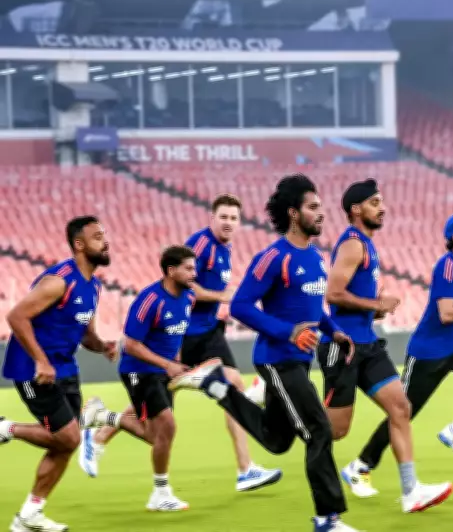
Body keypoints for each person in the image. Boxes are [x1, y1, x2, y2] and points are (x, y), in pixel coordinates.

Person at [168, 174, 361, 532]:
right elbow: (241, 305)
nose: (321, 213)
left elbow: (312, 308)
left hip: (298, 360)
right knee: (318, 429)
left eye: (321, 207)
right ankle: (328, 519)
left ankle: (215, 386)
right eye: (313, 207)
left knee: (277, 439)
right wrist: (288, 332)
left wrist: (334, 330)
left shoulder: (315, 257)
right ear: (293, 213)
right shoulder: (273, 257)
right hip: (277, 359)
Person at [81, 194, 281, 492]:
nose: (228, 222)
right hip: (186, 333)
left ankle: (246, 469)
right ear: (212, 218)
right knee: (162, 403)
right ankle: (99, 431)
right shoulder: (201, 245)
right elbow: (187, 286)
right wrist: (224, 297)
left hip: (208, 330)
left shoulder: (224, 248)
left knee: (229, 386)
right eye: (223, 217)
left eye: (233, 218)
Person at [0, 216, 144, 532]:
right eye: (97, 237)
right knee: (68, 437)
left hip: (65, 368)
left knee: (65, 444)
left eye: (104, 235)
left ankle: (29, 515)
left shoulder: (94, 286)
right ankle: (5, 428)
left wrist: (102, 346)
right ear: (79, 245)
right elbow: (16, 316)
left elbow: (84, 334)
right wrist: (41, 361)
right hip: (33, 369)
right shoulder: (59, 281)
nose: (105, 242)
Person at [319, 179, 452, 512]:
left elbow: (352, 298)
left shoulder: (368, 244)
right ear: (356, 209)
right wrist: (376, 304)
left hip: (368, 344)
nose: (383, 208)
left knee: (401, 407)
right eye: (375, 203)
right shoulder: (353, 244)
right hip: (343, 346)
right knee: (335, 430)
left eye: (381, 202)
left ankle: (411, 491)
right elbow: (333, 294)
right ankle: (280, 405)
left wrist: (374, 309)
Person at [357, 210, 453, 470]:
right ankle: (361, 466)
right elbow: (446, 314)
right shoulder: (448, 267)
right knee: (403, 414)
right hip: (428, 353)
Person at [114, 245, 198, 511]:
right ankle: (161, 492)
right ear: (171, 271)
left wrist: (177, 363)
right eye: (188, 268)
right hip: (139, 371)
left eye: (194, 268)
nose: (194, 273)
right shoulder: (150, 300)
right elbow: (130, 345)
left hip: (163, 371)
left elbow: (177, 334)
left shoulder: (189, 298)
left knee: (155, 436)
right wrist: (167, 364)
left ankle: (107, 418)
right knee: (167, 427)